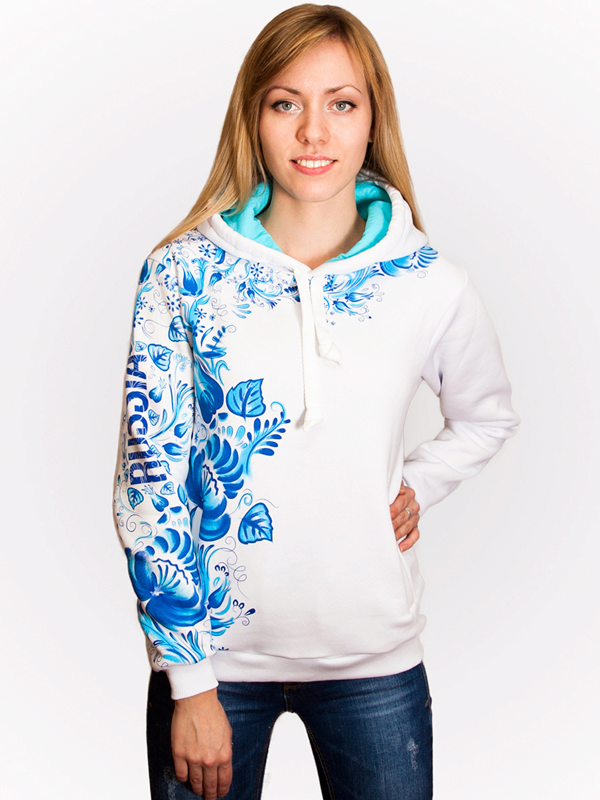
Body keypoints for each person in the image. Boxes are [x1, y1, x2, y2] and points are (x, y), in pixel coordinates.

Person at [113, 4, 519, 799]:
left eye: (341, 103)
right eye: (285, 103)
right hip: (213, 668)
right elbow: (149, 477)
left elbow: (487, 415)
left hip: (375, 662)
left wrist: (416, 483)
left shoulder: (429, 281)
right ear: (253, 118)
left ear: (373, 120)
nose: (313, 132)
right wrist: (187, 682)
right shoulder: (181, 273)